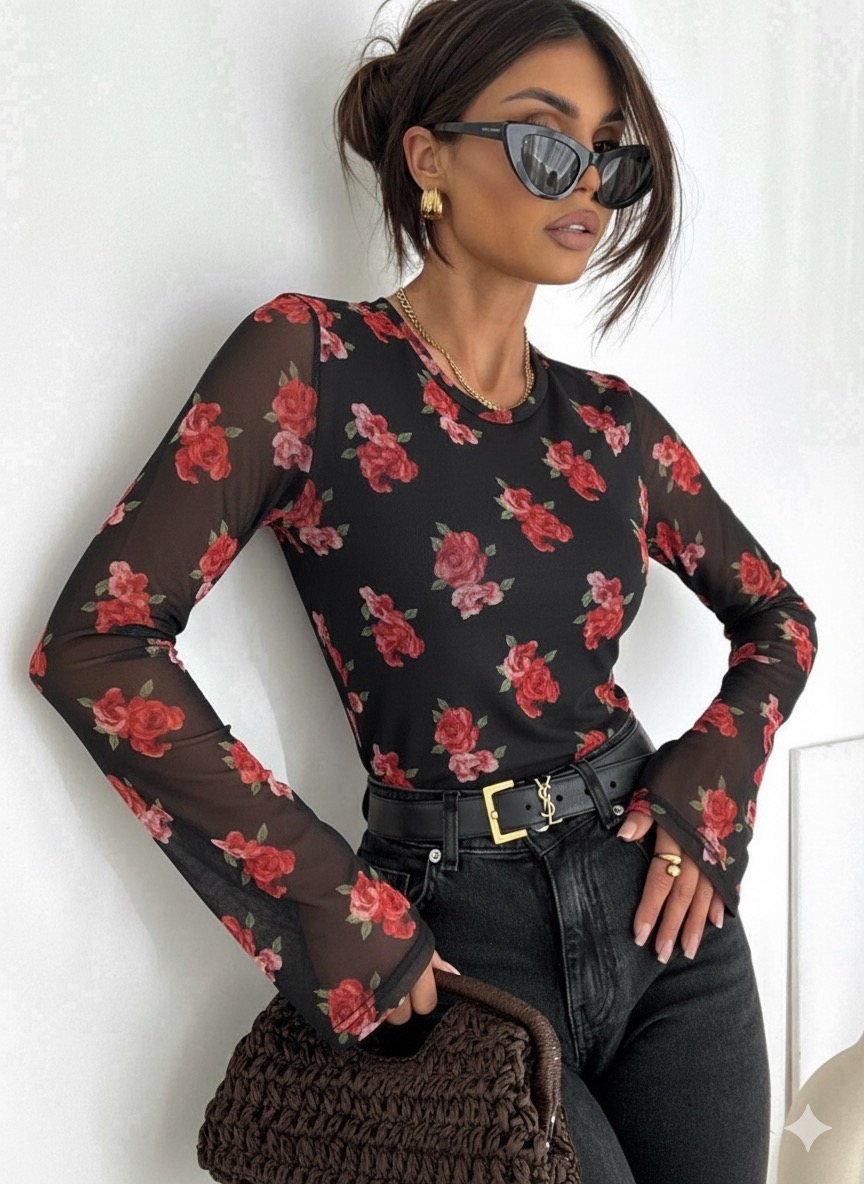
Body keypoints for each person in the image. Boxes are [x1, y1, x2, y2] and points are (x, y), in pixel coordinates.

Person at [28, 0, 818, 1180]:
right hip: (455, 943)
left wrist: (711, 785)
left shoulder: (616, 427)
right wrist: (330, 905)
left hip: (666, 925)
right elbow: (99, 639)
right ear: (429, 157)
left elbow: (779, 619)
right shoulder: (309, 361)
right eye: (547, 139)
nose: (587, 181)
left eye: (613, 155)